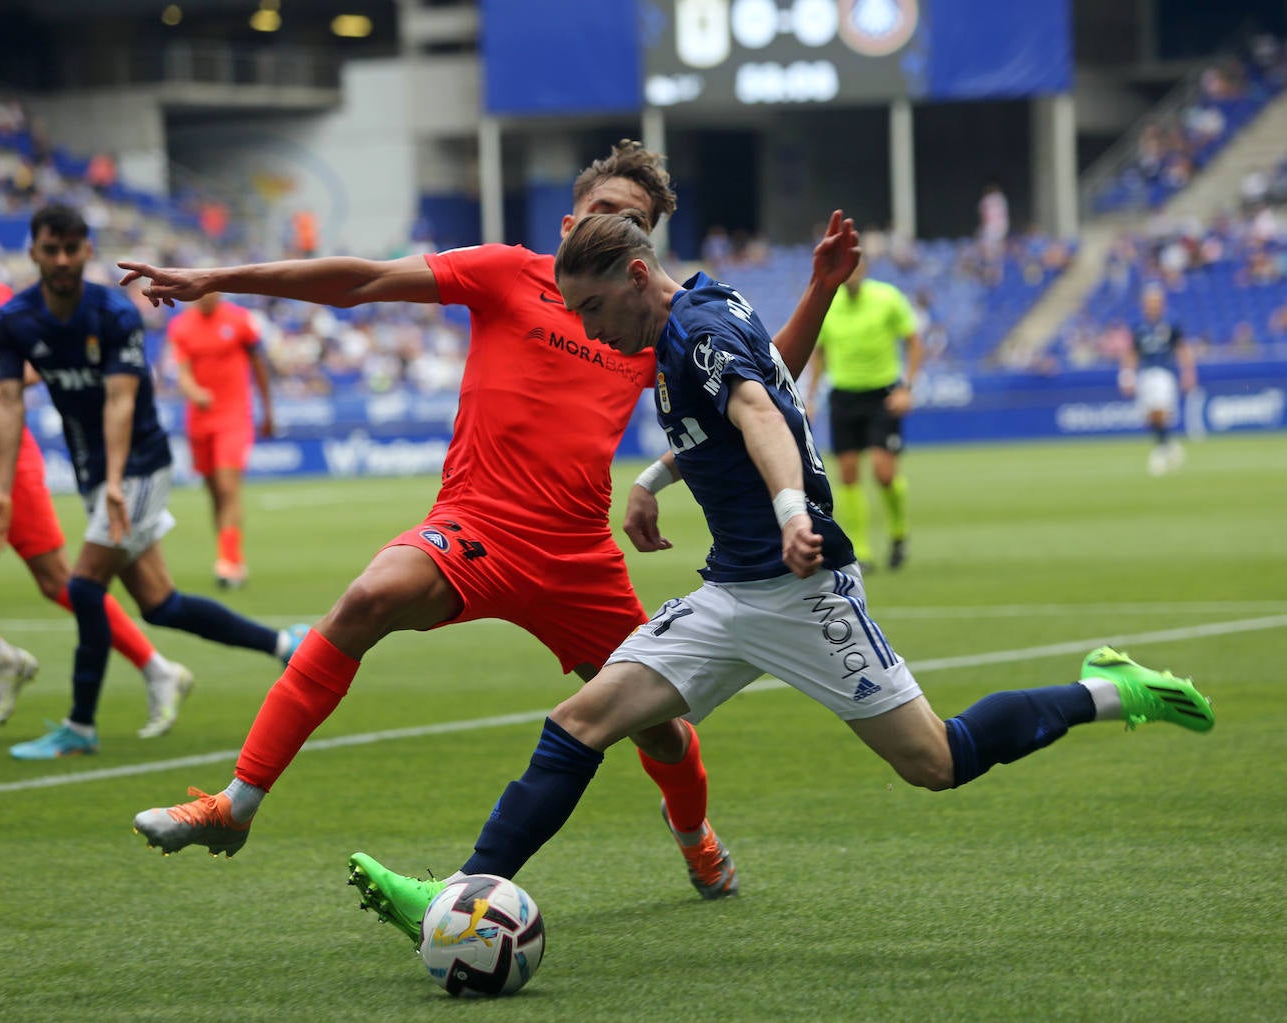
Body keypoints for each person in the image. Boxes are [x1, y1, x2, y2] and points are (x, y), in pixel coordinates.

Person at [342, 209, 1215, 946]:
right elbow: (765, 391)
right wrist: (651, 481)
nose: (589, 328)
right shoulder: (704, 307)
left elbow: (760, 413)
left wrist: (794, 509)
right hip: (731, 594)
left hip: (805, 594)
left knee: (937, 761)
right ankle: (462, 889)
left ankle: (1108, 690)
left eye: (596, 306)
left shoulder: (697, 330)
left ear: (640, 276)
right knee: (580, 722)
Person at [124, 141, 859, 903]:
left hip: (578, 557)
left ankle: (695, 839)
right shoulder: (505, 272)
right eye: (605, 211)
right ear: (573, 218)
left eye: (634, 221)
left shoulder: (643, 319)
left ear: (644, 249)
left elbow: (758, 377)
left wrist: (820, 290)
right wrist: (219, 278)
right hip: (476, 529)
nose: (615, 227)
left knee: (661, 729)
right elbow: (363, 280)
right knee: (366, 599)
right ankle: (233, 805)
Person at [0, 203, 308, 760]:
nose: (60, 260)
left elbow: (122, 400)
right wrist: (2, 489)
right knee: (159, 604)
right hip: (92, 471)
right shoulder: (13, 321)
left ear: (86, 252)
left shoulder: (113, 313)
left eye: (71, 248)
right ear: (31, 251)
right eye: (50, 249)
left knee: (83, 587)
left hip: (141, 464)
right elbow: (9, 404)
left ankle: (80, 726)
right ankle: (283, 643)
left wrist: (118, 480)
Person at [0, 199, 192, 737]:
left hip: (6, 470)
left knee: (66, 584)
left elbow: (53, 357)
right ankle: (1, 658)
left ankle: (156, 671)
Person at [805, 253, 922, 571]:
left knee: (884, 473)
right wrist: (811, 398)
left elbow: (913, 342)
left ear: (866, 269)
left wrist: (906, 388)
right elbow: (820, 354)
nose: (852, 273)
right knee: (848, 474)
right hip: (843, 397)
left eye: (857, 267)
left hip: (881, 396)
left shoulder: (887, 298)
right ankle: (863, 551)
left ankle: (899, 534)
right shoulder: (829, 304)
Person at [163, 291, 275, 588]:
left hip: (234, 416)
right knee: (214, 493)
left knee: (228, 487)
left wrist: (268, 410)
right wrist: (194, 392)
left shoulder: (240, 321)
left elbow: (259, 366)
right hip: (199, 420)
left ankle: (230, 562)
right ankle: (228, 556)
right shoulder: (181, 326)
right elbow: (182, 372)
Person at [1120, 282, 1196, 476]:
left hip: (1164, 371)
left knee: (1160, 410)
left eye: (1155, 301)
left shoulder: (1171, 321)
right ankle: (1168, 445)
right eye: (1149, 301)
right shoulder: (1138, 324)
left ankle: (1160, 452)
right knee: (1149, 417)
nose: (1152, 305)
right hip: (1145, 372)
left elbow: (1182, 348)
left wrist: (1188, 372)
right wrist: (1127, 375)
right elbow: (1132, 352)